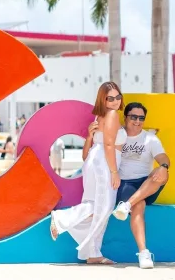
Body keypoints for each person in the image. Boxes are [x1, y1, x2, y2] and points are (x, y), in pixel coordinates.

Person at [49, 82, 126, 264]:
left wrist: (90, 138)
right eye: (110, 98)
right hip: (104, 163)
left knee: (98, 206)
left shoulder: (101, 116)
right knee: (103, 207)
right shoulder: (112, 115)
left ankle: (93, 254)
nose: (115, 101)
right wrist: (114, 172)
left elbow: (86, 155)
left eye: (118, 97)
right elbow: (108, 145)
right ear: (103, 99)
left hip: (95, 160)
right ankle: (62, 218)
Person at [109, 102, 170, 269]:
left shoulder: (150, 138)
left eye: (141, 118)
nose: (137, 121)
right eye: (133, 117)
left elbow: (163, 158)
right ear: (125, 117)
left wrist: (163, 167)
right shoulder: (117, 134)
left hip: (146, 183)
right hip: (125, 183)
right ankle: (144, 253)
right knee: (139, 205)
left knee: (163, 173)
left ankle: (126, 205)